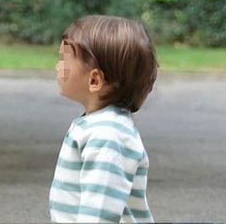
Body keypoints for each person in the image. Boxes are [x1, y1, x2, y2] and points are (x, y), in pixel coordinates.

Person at [49, 15, 159, 223]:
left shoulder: (108, 135)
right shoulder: (98, 125)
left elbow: (100, 209)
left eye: (64, 60)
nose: (57, 67)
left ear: (94, 80)